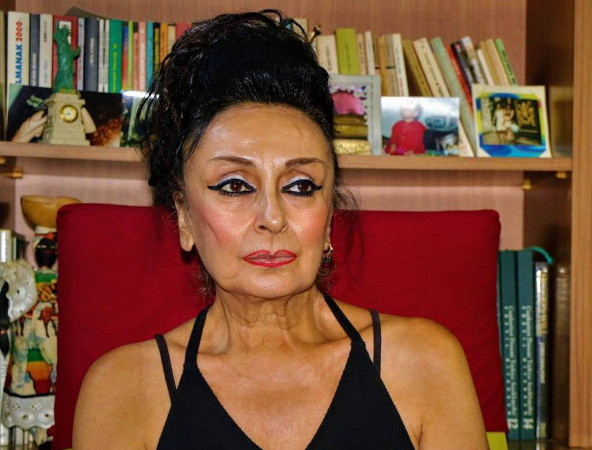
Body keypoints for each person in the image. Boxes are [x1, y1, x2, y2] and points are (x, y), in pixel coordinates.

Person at [72, 10, 487, 449]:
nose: (272, 217)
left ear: (329, 217)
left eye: (300, 186)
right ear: (185, 216)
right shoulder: (124, 388)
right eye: (234, 185)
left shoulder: (424, 362)